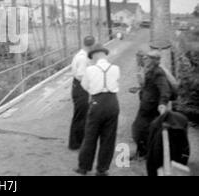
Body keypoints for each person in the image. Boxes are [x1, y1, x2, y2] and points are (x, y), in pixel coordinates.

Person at [75, 44, 120, 176]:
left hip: (97, 102)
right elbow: (116, 82)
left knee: (90, 136)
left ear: (94, 56)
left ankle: (84, 167)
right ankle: (102, 169)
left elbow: (84, 86)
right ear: (105, 55)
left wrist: (95, 91)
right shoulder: (116, 68)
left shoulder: (90, 70)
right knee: (109, 137)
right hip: (112, 102)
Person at [131, 50, 172, 159]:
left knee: (140, 129)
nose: (145, 60)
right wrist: (139, 89)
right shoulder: (152, 71)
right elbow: (150, 87)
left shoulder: (158, 73)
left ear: (153, 61)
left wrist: (162, 103)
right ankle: (142, 153)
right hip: (146, 105)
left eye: (148, 58)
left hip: (151, 107)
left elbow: (165, 90)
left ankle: (144, 154)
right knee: (141, 129)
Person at [68, 35, 96, 150]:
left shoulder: (81, 55)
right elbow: (81, 76)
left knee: (82, 116)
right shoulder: (83, 58)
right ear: (92, 45)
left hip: (78, 86)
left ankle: (79, 141)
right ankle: (75, 143)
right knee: (80, 116)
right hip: (81, 88)